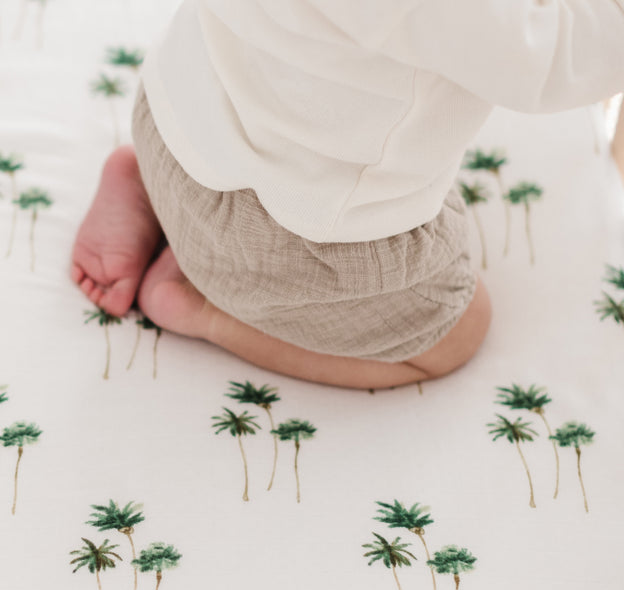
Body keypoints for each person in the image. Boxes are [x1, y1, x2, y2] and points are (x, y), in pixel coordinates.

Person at [71, 0, 624, 389]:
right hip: (284, 241)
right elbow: (550, 58)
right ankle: (198, 308)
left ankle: (146, 179)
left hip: (173, 121)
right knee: (459, 327)